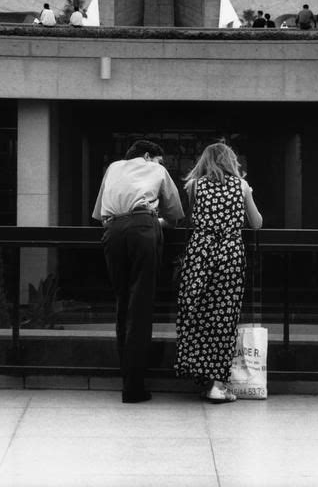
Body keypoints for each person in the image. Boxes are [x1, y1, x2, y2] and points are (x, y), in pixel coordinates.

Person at [92, 139, 184, 403]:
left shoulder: (112, 168)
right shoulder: (155, 170)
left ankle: (126, 376)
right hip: (143, 229)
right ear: (148, 156)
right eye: (159, 160)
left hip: (112, 232)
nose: (161, 165)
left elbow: (100, 214)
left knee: (122, 304)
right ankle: (134, 386)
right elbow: (175, 216)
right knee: (141, 307)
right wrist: (156, 220)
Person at [175, 142, 262, 404]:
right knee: (224, 317)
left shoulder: (194, 186)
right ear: (231, 161)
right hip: (229, 254)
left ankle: (200, 374)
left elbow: (190, 219)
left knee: (197, 313)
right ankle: (218, 385)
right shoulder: (242, 186)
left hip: (200, 253)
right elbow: (256, 223)